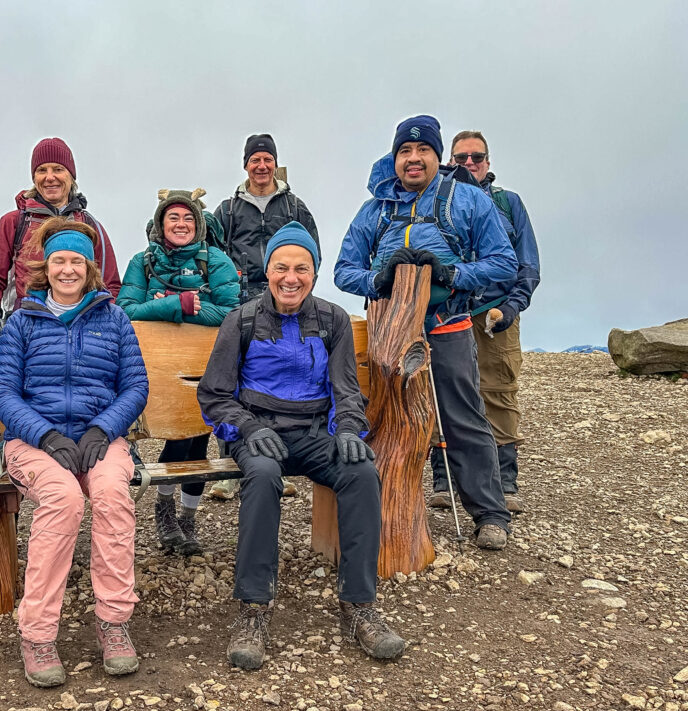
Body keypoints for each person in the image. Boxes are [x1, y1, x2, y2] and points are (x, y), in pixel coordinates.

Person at [198, 222, 406, 670]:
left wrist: (349, 430)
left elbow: (346, 389)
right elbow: (214, 394)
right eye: (281, 267)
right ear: (267, 270)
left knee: (361, 473)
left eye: (301, 269)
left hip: (314, 433)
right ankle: (253, 609)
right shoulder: (242, 320)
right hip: (258, 431)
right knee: (262, 476)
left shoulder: (332, 320)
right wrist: (248, 428)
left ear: (314, 272)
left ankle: (359, 605)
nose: (290, 278)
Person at [334, 115, 518, 551]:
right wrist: (377, 280)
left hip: (446, 325)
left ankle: (490, 514)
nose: (413, 159)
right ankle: (382, 512)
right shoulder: (375, 209)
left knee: (462, 417)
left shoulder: (468, 201)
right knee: (385, 419)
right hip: (388, 330)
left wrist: (452, 274)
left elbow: (504, 262)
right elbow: (344, 271)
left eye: (422, 151)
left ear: (437, 157)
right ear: (394, 158)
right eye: (405, 151)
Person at [0, 218, 148, 688]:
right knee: (63, 499)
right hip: (37, 441)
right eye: (59, 260)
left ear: (89, 268)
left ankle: (114, 622)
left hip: (99, 437)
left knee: (113, 496)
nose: (67, 269)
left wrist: (104, 427)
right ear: (46, 266)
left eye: (76, 261)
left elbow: (135, 386)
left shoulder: (113, 319)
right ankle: (37, 634)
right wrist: (45, 436)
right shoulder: (22, 321)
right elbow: (3, 393)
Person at [118, 188, 239, 555]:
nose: (181, 223)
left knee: (198, 438)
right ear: (161, 223)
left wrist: (179, 308)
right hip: (159, 364)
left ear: (198, 224)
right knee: (176, 436)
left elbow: (232, 312)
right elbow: (125, 309)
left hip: (205, 362)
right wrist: (178, 303)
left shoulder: (216, 260)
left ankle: (187, 518)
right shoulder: (142, 262)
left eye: (188, 217)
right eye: (173, 217)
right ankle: (166, 510)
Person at [428, 130, 541, 514]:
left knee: (498, 392)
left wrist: (512, 308)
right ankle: (444, 479)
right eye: (461, 158)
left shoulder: (509, 204)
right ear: (450, 162)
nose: (469, 164)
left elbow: (527, 263)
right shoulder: (436, 202)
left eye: (476, 157)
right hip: (448, 312)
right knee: (442, 392)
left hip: (495, 311)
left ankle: (504, 482)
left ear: (488, 162)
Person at [210, 134, 319, 501]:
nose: (261, 166)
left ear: (275, 163)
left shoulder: (294, 207)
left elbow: (313, 252)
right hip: (239, 303)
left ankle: (278, 464)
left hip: (284, 301)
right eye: (254, 159)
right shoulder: (228, 210)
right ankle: (231, 467)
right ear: (246, 165)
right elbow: (216, 254)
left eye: (266, 159)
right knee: (234, 382)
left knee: (280, 378)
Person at [0, 137, 122, 346]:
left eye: (58, 169)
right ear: (34, 177)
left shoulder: (90, 225)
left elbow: (110, 285)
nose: (49, 177)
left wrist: (101, 326)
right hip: (23, 331)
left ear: (71, 176)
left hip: (78, 335)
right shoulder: (14, 222)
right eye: (42, 170)